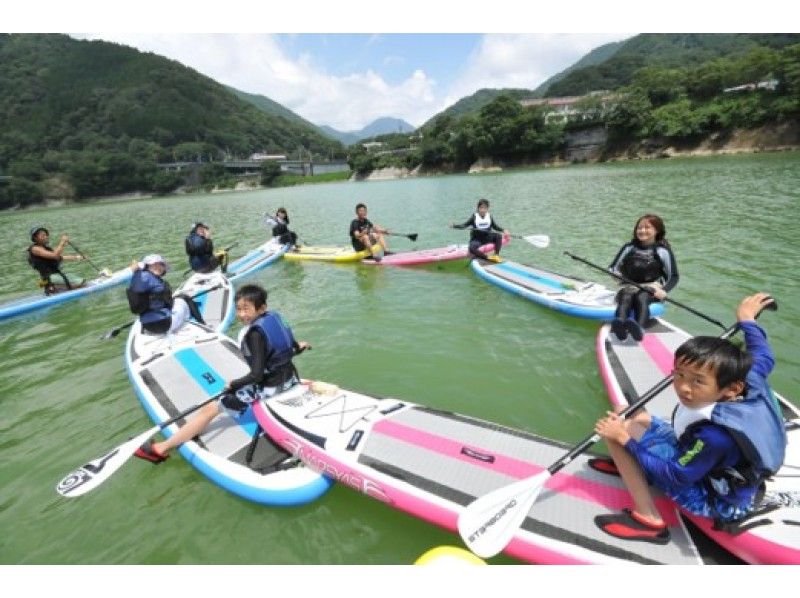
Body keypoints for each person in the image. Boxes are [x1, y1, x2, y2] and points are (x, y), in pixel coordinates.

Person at [592, 292, 786, 545]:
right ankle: (632, 463)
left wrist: (625, 441)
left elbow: (676, 476)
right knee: (625, 410)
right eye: (679, 374)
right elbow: (763, 353)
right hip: (705, 464)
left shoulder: (716, 436)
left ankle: (648, 519)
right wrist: (747, 320)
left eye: (698, 381)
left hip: (714, 500)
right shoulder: (751, 379)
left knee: (620, 433)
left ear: (732, 389)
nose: (683, 387)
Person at [134, 283, 311, 464]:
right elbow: (290, 347)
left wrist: (233, 384)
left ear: (262, 308)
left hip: (270, 388)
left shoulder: (254, 334)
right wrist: (300, 347)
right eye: (239, 309)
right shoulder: (275, 318)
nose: (241, 314)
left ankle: (160, 448)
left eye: (246, 309)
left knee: (211, 408)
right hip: (290, 378)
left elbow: (256, 376)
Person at [607, 214, 678, 342]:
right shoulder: (628, 247)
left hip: (652, 287)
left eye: (647, 227)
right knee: (625, 297)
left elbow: (674, 276)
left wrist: (664, 290)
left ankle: (639, 329)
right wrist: (615, 274)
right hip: (628, 285)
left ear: (657, 231)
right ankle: (620, 326)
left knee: (642, 297)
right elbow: (613, 268)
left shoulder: (662, 251)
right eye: (639, 227)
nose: (642, 230)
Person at [126, 254, 204, 335]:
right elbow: (169, 304)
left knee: (179, 298)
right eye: (154, 264)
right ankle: (202, 323)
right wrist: (137, 271)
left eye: (161, 264)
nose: (158, 266)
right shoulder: (148, 278)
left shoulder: (140, 278)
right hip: (165, 325)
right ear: (147, 266)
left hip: (147, 326)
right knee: (185, 298)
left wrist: (136, 272)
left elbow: (138, 286)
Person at [27, 226, 86, 295]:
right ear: (35, 238)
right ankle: (53, 287)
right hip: (49, 277)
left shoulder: (46, 249)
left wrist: (79, 257)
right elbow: (55, 255)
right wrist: (62, 242)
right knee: (80, 282)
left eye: (46, 235)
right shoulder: (35, 249)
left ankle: (54, 287)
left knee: (81, 281)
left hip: (55, 276)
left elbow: (60, 257)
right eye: (42, 235)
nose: (45, 237)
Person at [451, 198, 509, 263]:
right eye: (481, 208)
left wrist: (503, 230)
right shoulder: (474, 217)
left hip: (487, 237)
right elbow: (464, 225)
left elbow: (495, 227)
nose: (482, 210)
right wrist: (454, 226)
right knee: (471, 248)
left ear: (487, 209)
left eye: (485, 208)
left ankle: (496, 255)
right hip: (477, 239)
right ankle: (487, 257)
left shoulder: (489, 216)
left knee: (498, 236)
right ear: (478, 208)